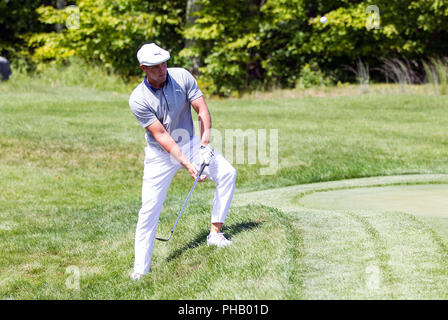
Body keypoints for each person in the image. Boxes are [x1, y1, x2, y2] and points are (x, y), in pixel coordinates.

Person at [128, 43, 237, 281]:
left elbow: (202, 109)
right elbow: (162, 136)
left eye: (164, 63)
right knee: (149, 208)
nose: (162, 69)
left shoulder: (182, 77)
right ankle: (140, 269)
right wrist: (189, 165)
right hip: (160, 155)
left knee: (228, 173)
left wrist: (205, 144)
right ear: (143, 68)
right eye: (155, 66)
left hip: (189, 141)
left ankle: (215, 234)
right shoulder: (138, 99)